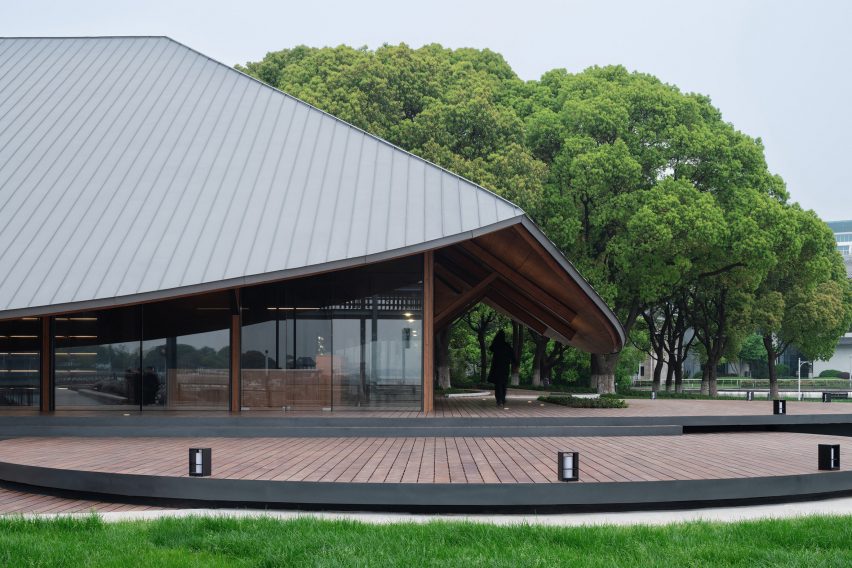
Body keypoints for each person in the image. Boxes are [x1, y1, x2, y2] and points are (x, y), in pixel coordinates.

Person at [488, 330, 515, 408]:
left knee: (498, 384)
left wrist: (495, 340)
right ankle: (502, 399)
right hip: (505, 367)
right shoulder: (507, 345)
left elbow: (491, 348)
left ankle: (499, 400)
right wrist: (515, 363)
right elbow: (512, 355)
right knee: (504, 384)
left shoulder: (496, 345)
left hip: (497, 367)